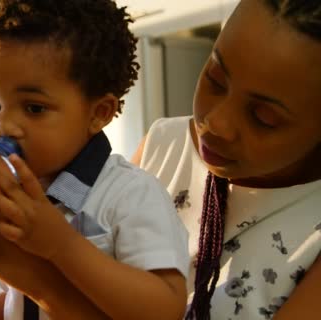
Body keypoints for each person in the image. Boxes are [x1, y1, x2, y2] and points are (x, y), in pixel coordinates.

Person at [0, 0, 191, 319]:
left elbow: (165, 308)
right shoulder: (13, 199)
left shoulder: (130, 195)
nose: (4, 127)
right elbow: (22, 302)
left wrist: (60, 244)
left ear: (98, 113)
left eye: (34, 108)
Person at [131, 0, 321, 319]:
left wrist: (43, 282)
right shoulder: (162, 146)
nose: (216, 123)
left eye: (264, 117)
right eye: (215, 79)